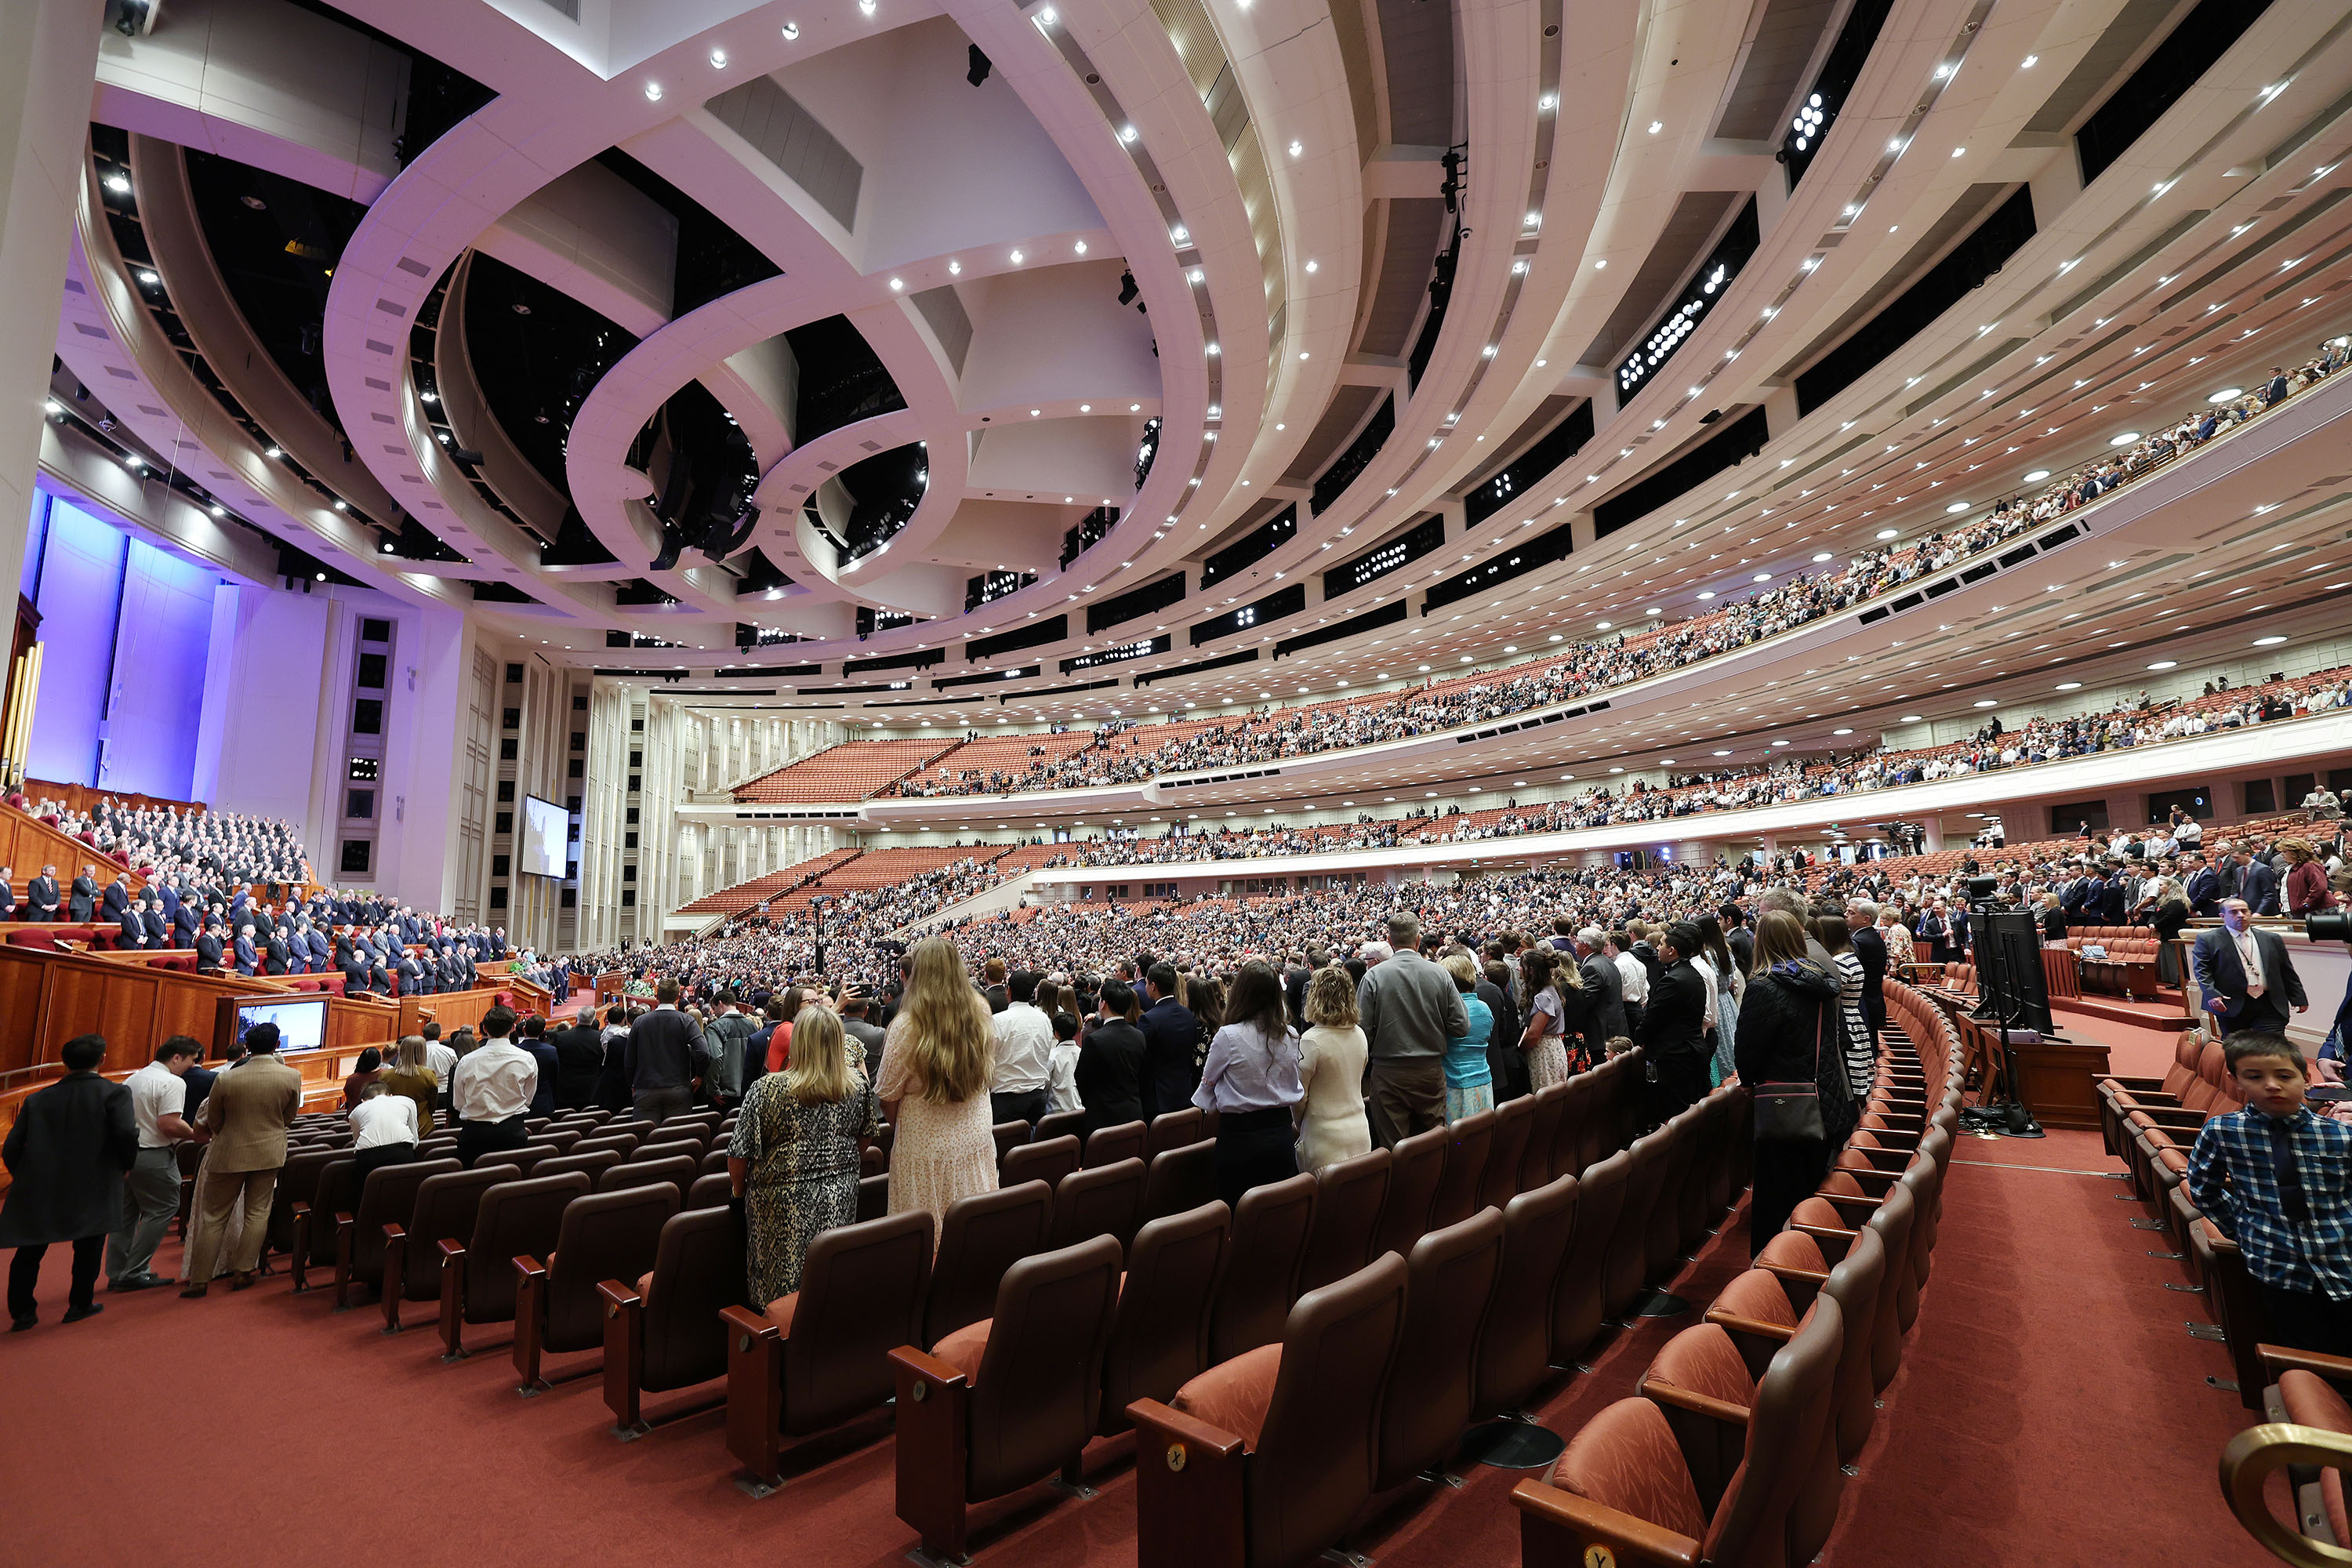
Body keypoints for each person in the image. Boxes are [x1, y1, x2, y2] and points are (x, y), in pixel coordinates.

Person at [2187, 1033, 2352, 1352]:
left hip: (2342, 1259)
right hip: (2277, 1265)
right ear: (2236, 1080)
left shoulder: (2340, 1136)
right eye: (2255, 1077)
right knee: (2305, 1350)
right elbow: (2204, 1188)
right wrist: (2246, 1230)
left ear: (2306, 1079)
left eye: (2284, 1076)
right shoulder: (2223, 1132)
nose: (2272, 1085)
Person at [728, 1004, 880, 1305]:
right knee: (828, 1280)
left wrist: (738, 1191)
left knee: (779, 1295)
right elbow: (865, 1139)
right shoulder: (857, 1087)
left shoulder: (766, 1090)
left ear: (799, 1041)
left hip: (778, 1204)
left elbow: (739, 1155)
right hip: (840, 1195)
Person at [1735, 912, 1857, 1255]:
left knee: (1778, 1194)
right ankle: (1812, 1255)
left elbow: (1749, 1047)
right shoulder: (1821, 977)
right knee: (1811, 1187)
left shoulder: (1763, 986)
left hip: (1787, 1103)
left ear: (1762, 941)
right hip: (1825, 1094)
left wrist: (1748, 1082)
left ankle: (1776, 1264)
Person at [2, 1035, 136, 1330]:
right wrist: (125, 1165)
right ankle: (80, 1304)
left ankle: (23, 1312)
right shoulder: (115, 1094)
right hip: (95, 1180)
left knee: (30, 1248)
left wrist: (24, 1175)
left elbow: (11, 1147)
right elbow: (126, 1134)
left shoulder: (37, 1098)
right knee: (89, 1245)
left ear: (64, 1062)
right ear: (103, 1059)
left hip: (40, 1182)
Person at [875, 937, 999, 1225]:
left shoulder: (906, 1026)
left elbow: (888, 1097)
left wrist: (911, 1125)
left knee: (925, 1241)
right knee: (971, 1228)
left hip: (925, 1150)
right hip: (975, 1136)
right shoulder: (980, 1008)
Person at [184, 1022, 303, 1295]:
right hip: (270, 1151)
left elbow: (213, 1120)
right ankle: (243, 1272)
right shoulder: (291, 1076)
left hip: (229, 1151)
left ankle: (200, 1280)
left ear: (247, 1047)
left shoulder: (226, 1078)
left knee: (214, 1215)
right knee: (258, 1214)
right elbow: (289, 1117)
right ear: (277, 1046)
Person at [1192, 960, 1302, 1210]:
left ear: (1240, 993)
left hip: (1241, 1141)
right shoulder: (1292, 1034)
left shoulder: (1228, 1036)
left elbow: (1205, 1091)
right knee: (1276, 1213)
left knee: (1238, 1216)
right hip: (1281, 1136)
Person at [1355, 912, 1465, 1146]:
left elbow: (1362, 1032)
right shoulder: (1440, 973)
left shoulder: (1373, 976)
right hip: (1430, 1072)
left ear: (1390, 940)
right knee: (1434, 1142)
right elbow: (1461, 1026)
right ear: (1418, 940)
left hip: (1388, 1074)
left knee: (1395, 1147)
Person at [106, 1037, 205, 1293]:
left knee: (127, 1214)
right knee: (165, 1207)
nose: (192, 1067)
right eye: (192, 1061)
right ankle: (135, 1271)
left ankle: (117, 1272)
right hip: (153, 1154)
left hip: (127, 1154)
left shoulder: (134, 1078)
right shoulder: (173, 1082)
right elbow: (168, 1124)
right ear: (176, 1058)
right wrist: (198, 1135)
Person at [2192, 898, 2310, 1036]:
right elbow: (2202, 970)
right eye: (2234, 912)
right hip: (2232, 1003)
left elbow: (2286, 971)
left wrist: (2298, 997)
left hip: (2270, 1003)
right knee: (2239, 1051)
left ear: (2250, 913)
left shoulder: (2271, 938)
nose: (2241, 915)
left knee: (2273, 1048)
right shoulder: (2208, 940)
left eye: (2244, 911)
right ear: (2222, 917)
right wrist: (2212, 994)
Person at [1296, 965, 1371, 1173]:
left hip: (1324, 1141)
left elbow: (1300, 1098)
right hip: (1360, 1133)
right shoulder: (1360, 1034)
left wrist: (1300, 1124)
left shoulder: (1311, 1041)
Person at [1639, 923, 1713, 1119]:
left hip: (1675, 1055)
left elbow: (1653, 1018)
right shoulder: (1691, 973)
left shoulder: (1673, 980)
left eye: (1661, 944)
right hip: (1689, 1049)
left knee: (1676, 1115)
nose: (1657, 948)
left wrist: (1638, 1037)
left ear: (1672, 950)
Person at [448, 1006, 536, 1167]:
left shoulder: (467, 1061)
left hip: (476, 1133)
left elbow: (459, 1103)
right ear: (513, 1028)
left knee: (472, 1183)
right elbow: (528, 1098)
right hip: (512, 1130)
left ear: (484, 1028)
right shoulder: (527, 1059)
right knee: (513, 1181)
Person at [625, 979, 708, 1123]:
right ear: (677, 998)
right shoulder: (687, 1021)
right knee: (675, 1141)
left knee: (646, 1140)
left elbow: (629, 1058)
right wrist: (699, 1077)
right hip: (678, 1089)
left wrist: (632, 1083)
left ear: (656, 997)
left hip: (646, 1089)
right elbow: (703, 1051)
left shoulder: (640, 1022)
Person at [1075, 978, 1146, 1141]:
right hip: (1134, 1112)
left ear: (1103, 1004)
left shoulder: (1095, 1040)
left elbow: (1081, 1079)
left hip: (1104, 1117)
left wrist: (1094, 1103)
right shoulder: (1139, 1035)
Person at [987, 970, 1055, 1127]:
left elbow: (988, 1059)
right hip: (1037, 1095)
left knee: (1007, 1148)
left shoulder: (999, 1021)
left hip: (1007, 1098)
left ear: (1008, 990)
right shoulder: (1044, 1019)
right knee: (1032, 1149)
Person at [1815, 916, 1875, 1096]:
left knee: (1851, 1077)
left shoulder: (1841, 961)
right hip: (1852, 1016)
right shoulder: (1848, 955)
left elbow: (1831, 992)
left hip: (1847, 1020)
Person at [1138, 962, 1202, 1121]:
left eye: (1146, 983)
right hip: (1185, 1091)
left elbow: (1142, 1058)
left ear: (1153, 986)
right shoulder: (1188, 1015)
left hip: (1157, 1098)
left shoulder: (1148, 1019)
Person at [1440, 954, 1495, 1124]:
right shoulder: (1484, 1008)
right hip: (1483, 1083)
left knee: (1457, 1143)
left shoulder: (1446, 1011)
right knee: (1480, 1137)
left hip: (1453, 1086)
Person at [1516, 948, 1571, 1091]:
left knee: (1545, 1099)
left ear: (1532, 970)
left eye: (1522, 966)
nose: (1518, 969)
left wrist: (1520, 1050)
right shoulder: (1550, 989)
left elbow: (1534, 1034)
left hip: (1544, 1053)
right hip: (1552, 1049)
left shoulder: (1543, 996)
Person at [347, 1082, 420, 1182]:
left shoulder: (355, 1112)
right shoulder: (407, 1101)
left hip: (368, 1157)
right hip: (403, 1152)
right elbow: (415, 1138)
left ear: (363, 1101)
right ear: (390, 1096)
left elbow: (357, 1141)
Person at [379, 1036, 440, 1134]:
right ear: (422, 1052)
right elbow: (433, 1105)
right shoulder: (429, 1075)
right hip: (422, 1127)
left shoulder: (386, 1076)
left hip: (394, 1126)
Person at [554, 1008, 606, 1109]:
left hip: (565, 1090)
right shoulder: (600, 1038)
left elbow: (556, 1062)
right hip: (591, 1090)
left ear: (576, 1019)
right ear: (593, 1020)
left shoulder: (561, 1037)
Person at [2281, 838, 2332, 916]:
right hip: (2298, 911)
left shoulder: (2310, 866)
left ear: (2295, 852)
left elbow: (2319, 889)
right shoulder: (2292, 868)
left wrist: (2306, 905)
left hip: (2317, 911)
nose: (2282, 854)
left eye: (2285, 852)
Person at [1046, 1011, 1083, 1116]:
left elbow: (1045, 1085)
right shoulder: (1082, 1053)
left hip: (1056, 1112)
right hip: (1080, 1109)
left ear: (1056, 1034)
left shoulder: (1052, 1056)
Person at [342, 1047, 384, 1111]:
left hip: (355, 1115)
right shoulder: (386, 1074)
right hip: (380, 1113)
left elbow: (349, 1099)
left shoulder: (352, 1079)